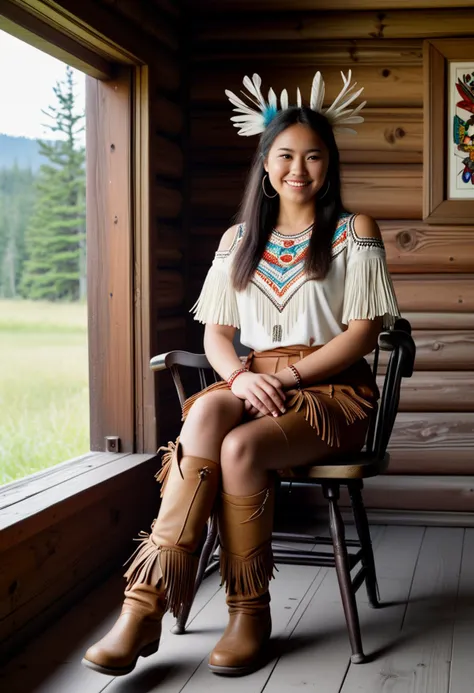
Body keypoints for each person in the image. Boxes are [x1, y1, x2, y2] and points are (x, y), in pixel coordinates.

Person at [82, 70, 400, 678]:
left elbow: (361, 334)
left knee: (241, 451)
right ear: (265, 163)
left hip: (330, 392)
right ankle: (142, 607)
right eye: (285, 155)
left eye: (313, 156)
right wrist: (241, 377)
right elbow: (217, 335)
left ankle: (248, 613)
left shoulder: (354, 232)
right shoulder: (239, 239)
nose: (298, 169)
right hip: (252, 378)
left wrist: (284, 379)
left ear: (329, 165)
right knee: (204, 411)